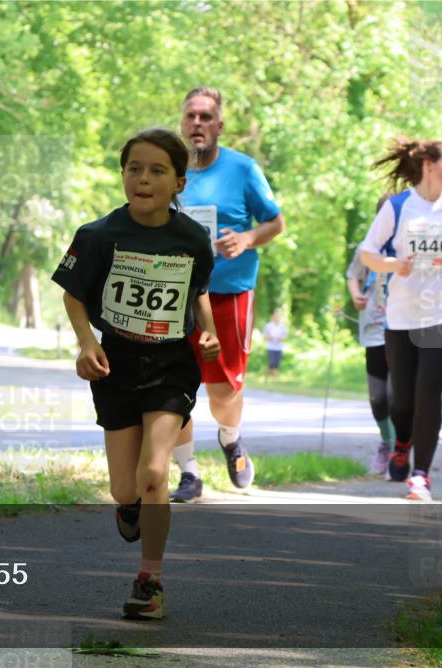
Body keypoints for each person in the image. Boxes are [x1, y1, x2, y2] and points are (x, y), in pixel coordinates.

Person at [52, 127, 218, 620]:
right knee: (125, 489)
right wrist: (86, 344)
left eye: (157, 171)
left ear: (179, 183)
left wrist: (208, 332)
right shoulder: (99, 235)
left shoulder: (192, 238)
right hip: (117, 363)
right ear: (123, 175)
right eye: (134, 169)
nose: (143, 179)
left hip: (171, 364)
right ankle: (130, 506)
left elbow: (198, 292)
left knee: (154, 474)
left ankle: (150, 581)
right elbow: (73, 294)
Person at [169, 87, 285, 503]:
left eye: (205, 117)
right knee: (173, 389)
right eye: (191, 116)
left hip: (228, 293)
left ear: (219, 125)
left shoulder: (243, 169)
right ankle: (189, 473)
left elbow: (275, 222)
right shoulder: (168, 167)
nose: (197, 123)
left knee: (223, 392)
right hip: (175, 294)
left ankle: (230, 437)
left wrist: (247, 239)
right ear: (182, 122)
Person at [359, 138, 442, 501]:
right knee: (403, 400)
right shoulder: (398, 207)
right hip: (402, 316)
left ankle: (421, 475)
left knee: (429, 392)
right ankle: (402, 442)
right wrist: (394, 265)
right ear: (429, 165)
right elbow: (367, 253)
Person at [346, 195, 396, 474]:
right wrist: (356, 294)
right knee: (378, 397)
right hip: (374, 329)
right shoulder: (368, 247)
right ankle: (387, 442)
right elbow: (353, 274)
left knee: (398, 394)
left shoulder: (409, 248)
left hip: (404, 328)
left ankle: (400, 448)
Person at [262, 309, 287, 382]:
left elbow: (285, 336)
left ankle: (267, 377)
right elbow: (264, 336)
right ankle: (275, 378)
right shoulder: (268, 326)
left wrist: (281, 337)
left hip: (279, 347)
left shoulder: (282, 326)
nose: (277, 318)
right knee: (271, 362)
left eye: (278, 316)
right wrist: (269, 337)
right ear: (273, 317)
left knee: (276, 364)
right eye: (275, 316)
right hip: (271, 347)